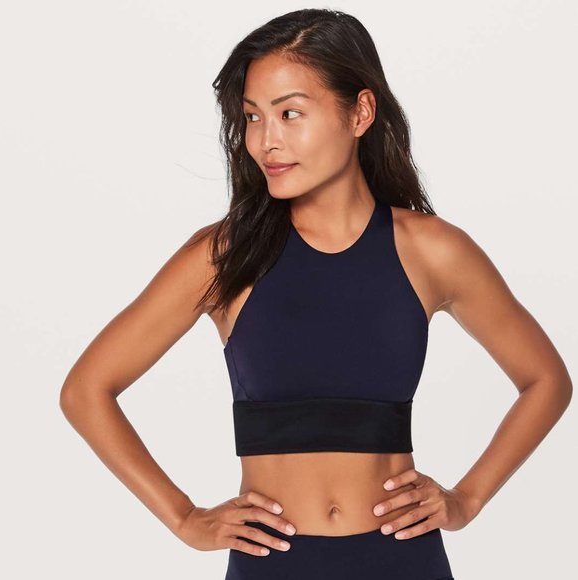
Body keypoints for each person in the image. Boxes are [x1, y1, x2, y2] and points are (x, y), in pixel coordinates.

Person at [59, 8, 573, 579]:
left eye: (290, 113)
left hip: (403, 561)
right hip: (271, 565)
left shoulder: (432, 251)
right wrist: (184, 518)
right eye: (252, 116)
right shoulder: (224, 256)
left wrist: (467, 500)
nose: (266, 140)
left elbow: (545, 380)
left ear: (360, 112)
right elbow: (86, 390)